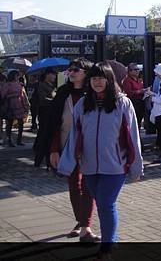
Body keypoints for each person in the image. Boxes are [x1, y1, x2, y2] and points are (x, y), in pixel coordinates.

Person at [57, 62, 143, 259]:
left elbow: (133, 138)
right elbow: (74, 137)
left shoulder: (122, 103)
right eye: (94, 78)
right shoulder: (83, 104)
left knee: (105, 202)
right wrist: (67, 164)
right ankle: (110, 238)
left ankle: (106, 248)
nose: (97, 82)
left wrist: (136, 167)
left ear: (109, 79)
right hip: (89, 167)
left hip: (115, 166)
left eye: (101, 78)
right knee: (103, 203)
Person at [48, 58, 99, 242]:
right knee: (74, 186)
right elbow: (53, 124)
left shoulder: (93, 94)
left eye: (76, 69)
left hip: (89, 147)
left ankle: (85, 226)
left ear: (86, 73)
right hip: (66, 144)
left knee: (88, 185)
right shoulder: (63, 94)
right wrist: (54, 149)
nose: (72, 72)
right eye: (70, 69)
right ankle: (81, 221)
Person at [33, 69, 57, 167]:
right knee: (44, 134)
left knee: (45, 135)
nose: (54, 77)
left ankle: (43, 156)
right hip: (45, 112)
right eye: (53, 75)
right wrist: (54, 101)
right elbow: (43, 100)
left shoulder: (52, 86)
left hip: (51, 113)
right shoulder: (42, 85)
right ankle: (39, 157)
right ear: (48, 75)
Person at [2, 70, 30, 147]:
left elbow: (23, 96)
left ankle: (19, 140)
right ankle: (10, 140)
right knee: (10, 123)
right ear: (14, 76)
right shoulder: (7, 85)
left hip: (19, 105)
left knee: (20, 123)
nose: (18, 77)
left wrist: (25, 105)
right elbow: (3, 95)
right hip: (10, 105)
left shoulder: (20, 84)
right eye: (17, 75)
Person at [121, 63, 145, 131]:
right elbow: (128, 93)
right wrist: (140, 91)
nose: (138, 71)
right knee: (134, 123)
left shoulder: (138, 80)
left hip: (140, 104)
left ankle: (138, 138)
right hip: (133, 104)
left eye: (138, 69)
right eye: (135, 69)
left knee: (139, 122)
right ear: (130, 71)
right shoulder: (127, 81)